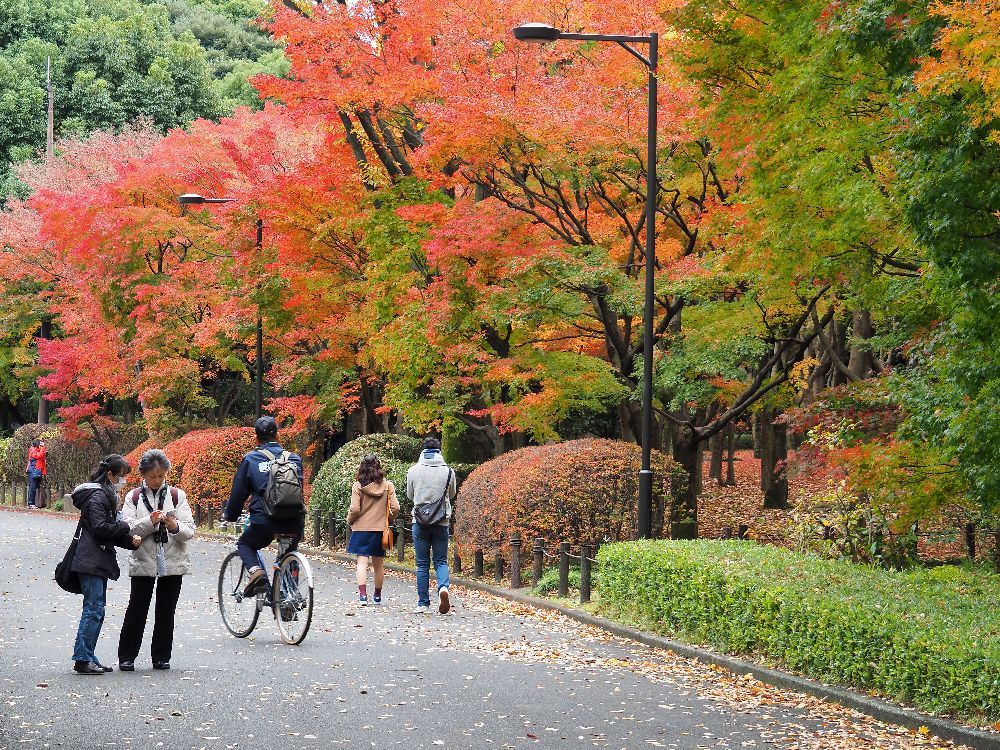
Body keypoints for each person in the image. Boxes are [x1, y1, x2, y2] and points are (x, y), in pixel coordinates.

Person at [117, 449, 195, 672]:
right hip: (143, 559)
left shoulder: (177, 496)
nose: (156, 480)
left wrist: (174, 526)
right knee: (137, 609)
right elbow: (127, 528)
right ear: (143, 475)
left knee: (166, 610)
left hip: (173, 559)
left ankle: (161, 657)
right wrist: (150, 522)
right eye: (152, 476)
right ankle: (127, 656)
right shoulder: (132, 497)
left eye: (161, 476)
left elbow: (190, 530)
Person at [70, 455, 141, 675]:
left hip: (95, 558)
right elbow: (101, 528)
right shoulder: (97, 497)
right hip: (90, 560)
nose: (123, 481)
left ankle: (89, 655)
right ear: (110, 475)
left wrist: (129, 540)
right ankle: (82, 658)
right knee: (94, 608)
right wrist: (124, 526)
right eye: (121, 476)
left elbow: (104, 531)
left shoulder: (104, 495)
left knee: (96, 608)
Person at [224, 416, 305, 595]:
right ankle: (288, 600)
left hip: (265, 521)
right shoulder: (294, 459)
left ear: (256, 438)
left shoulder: (252, 459)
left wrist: (230, 515)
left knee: (245, 544)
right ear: (278, 435)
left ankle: (256, 572)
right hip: (295, 520)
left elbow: (239, 493)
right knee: (289, 551)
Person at [407, 437, 457, 615]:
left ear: (423, 451)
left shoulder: (413, 470)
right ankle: (443, 588)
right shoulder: (448, 471)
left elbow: (410, 495)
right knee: (441, 560)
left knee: (422, 564)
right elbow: (451, 495)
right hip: (441, 521)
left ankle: (423, 603)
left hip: (420, 521)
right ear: (439, 451)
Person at [346, 454, 400, 605]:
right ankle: (377, 595)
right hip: (379, 529)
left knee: (362, 562)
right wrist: (388, 519)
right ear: (378, 467)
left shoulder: (358, 486)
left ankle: (363, 596)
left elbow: (355, 508)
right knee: (379, 564)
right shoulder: (388, 486)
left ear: (362, 467)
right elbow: (396, 507)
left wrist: (350, 520)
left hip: (361, 528)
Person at [26, 439, 47, 508]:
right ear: (37, 445)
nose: (43, 445)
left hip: (38, 471)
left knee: (37, 487)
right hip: (33, 471)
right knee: (32, 487)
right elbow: (38, 456)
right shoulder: (32, 450)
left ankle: (37, 503)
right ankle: (30, 503)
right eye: (41, 444)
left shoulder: (40, 450)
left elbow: (42, 461)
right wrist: (42, 449)